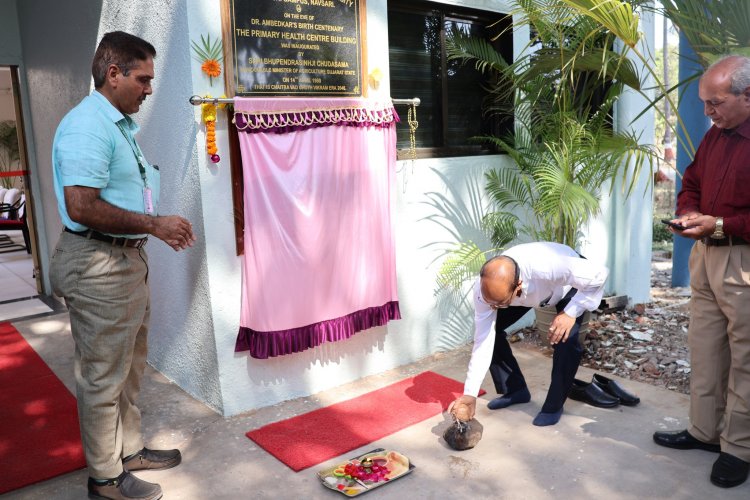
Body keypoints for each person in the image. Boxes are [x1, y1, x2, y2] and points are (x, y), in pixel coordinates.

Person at [49, 31, 196, 500]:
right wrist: (153, 224)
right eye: (143, 79)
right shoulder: (88, 125)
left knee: (129, 367)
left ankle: (128, 451)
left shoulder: (115, 125)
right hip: (98, 264)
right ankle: (105, 479)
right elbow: (81, 205)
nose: (149, 90)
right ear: (113, 74)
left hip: (123, 260)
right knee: (101, 377)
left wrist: (146, 232)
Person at [655, 54, 750, 489]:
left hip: (743, 258)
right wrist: (689, 212)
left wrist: (720, 224)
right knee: (706, 349)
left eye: (715, 103)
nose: (708, 112)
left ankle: (738, 448)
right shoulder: (716, 137)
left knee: (746, 359)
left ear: (747, 97)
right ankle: (704, 432)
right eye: (705, 103)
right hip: (707, 255)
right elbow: (691, 180)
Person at [449, 241, 608, 427]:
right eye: (489, 302)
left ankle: (554, 406)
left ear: (518, 286)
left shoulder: (549, 267)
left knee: (566, 339)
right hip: (528, 293)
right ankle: (515, 390)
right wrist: (470, 394)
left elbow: (599, 273)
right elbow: (483, 340)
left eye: (498, 304)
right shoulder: (484, 290)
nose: (492, 308)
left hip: (568, 287)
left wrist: (570, 313)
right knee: (493, 332)